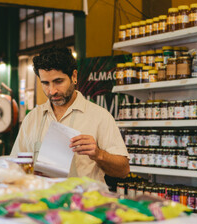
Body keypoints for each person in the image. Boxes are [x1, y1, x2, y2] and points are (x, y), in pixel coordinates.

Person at [10, 46, 129, 183]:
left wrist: (98, 154)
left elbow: (123, 171)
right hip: (42, 201)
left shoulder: (100, 117)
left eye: (58, 81)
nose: (52, 91)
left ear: (74, 76)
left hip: (83, 201)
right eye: (45, 83)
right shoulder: (32, 118)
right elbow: (15, 166)